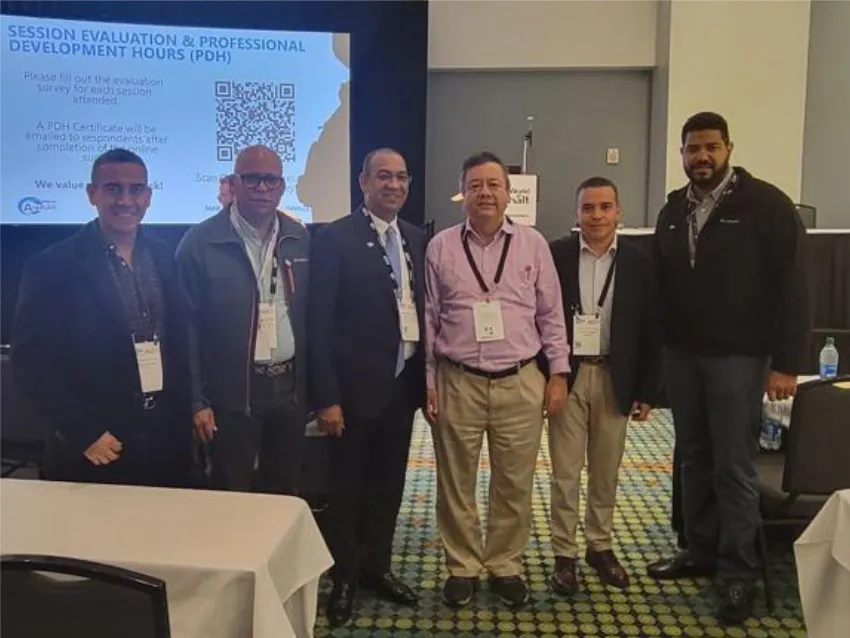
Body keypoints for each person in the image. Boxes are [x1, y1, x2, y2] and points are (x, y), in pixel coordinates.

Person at [649, 112, 809, 624]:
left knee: (734, 466)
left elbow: (796, 289)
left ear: (728, 148)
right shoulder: (674, 210)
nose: (702, 157)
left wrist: (786, 363)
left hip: (739, 359)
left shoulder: (767, 205)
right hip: (684, 357)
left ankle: (738, 573)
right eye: (693, 149)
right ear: (682, 153)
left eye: (711, 148)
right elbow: (663, 285)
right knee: (692, 456)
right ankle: (700, 549)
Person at [424, 151, 570, 608]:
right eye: (476, 185)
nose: (485, 192)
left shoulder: (533, 244)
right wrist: (428, 380)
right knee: (456, 481)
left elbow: (551, 314)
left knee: (514, 481)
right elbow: (429, 318)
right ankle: (462, 566)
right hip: (457, 380)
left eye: (494, 184)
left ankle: (505, 563)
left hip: (520, 380)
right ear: (462, 192)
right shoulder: (441, 247)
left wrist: (559, 373)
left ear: (509, 193)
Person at [12, 148, 193, 487]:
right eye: (113, 188)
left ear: (149, 196)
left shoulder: (164, 255)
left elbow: (180, 341)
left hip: (165, 437)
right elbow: (29, 362)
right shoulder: (52, 266)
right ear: (92, 193)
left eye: (136, 189)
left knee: (165, 535)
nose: (126, 200)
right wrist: (84, 433)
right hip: (98, 445)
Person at [308, 148, 426, 626]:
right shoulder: (335, 238)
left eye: (400, 177)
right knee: (348, 488)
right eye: (383, 176)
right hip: (352, 396)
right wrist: (327, 397)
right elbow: (318, 323)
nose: (392, 185)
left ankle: (378, 566)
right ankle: (344, 577)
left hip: (402, 389)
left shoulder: (417, 238)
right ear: (363, 182)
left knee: (389, 485)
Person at [547, 176, 661, 594]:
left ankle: (600, 545)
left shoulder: (639, 261)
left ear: (619, 212)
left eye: (605, 207)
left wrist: (647, 389)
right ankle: (564, 554)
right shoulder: (555, 254)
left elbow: (652, 329)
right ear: (576, 213)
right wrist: (550, 375)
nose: (596, 215)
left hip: (617, 375)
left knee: (606, 470)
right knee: (565, 471)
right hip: (568, 376)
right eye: (588, 208)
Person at [176, 145, 310, 494]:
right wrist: (196, 401)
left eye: (271, 180)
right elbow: (185, 329)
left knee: (283, 491)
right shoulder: (200, 242)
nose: (262, 188)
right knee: (229, 493)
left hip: (289, 391)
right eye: (253, 179)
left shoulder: (299, 238)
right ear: (234, 183)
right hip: (229, 394)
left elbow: (313, 317)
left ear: (282, 187)